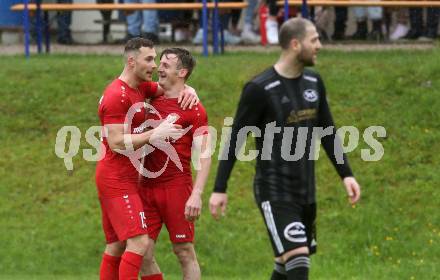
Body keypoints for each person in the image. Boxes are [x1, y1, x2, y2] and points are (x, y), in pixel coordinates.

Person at [209, 18, 361, 280]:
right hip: (275, 189)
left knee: (284, 262)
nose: (319, 46)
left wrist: (346, 173)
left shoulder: (314, 81)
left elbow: (327, 131)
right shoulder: (259, 89)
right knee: (298, 259)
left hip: (305, 189)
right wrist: (219, 188)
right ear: (294, 44)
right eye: (313, 40)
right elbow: (235, 139)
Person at [96, 38, 199, 280]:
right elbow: (116, 142)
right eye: (150, 59)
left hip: (128, 177)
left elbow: (171, 88)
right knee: (140, 244)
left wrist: (189, 89)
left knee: (117, 245)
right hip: (116, 178)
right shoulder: (116, 95)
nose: (154, 66)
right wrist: (155, 134)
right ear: (132, 61)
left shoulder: (141, 87)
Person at [139, 48, 211, 280]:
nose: (159, 68)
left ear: (182, 72)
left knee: (184, 252)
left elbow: (205, 154)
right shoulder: (149, 98)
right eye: (160, 63)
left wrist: (197, 194)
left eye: (166, 65)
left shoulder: (194, 109)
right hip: (146, 187)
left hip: (177, 188)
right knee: (142, 252)